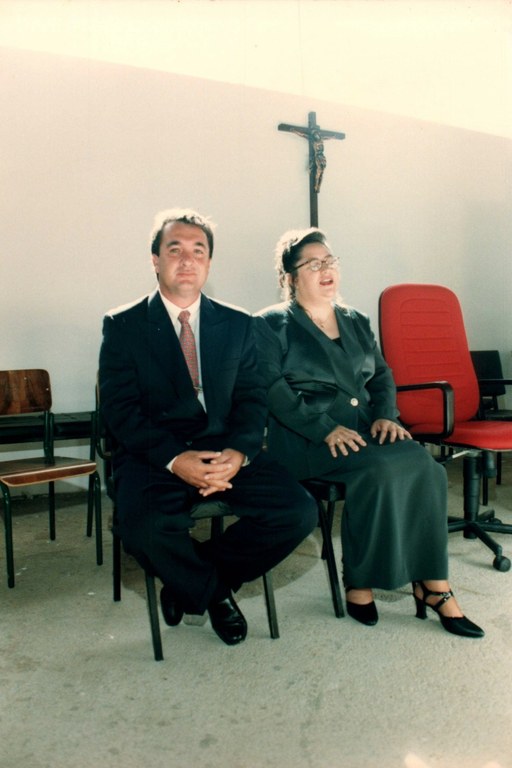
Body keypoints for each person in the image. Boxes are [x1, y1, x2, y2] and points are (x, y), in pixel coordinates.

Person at [99, 208, 317, 646]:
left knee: (298, 512)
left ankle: (189, 580)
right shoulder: (123, 325)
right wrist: (174, 459)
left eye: (198, 251)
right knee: (141, 527)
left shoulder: (237, 323)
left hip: (224, 450)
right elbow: (120, 411)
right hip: (154, 453)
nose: (187, 259)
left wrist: (239, 452)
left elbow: (252, 398)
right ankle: (214, 594)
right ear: (155, 260)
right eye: (174, 249)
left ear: (209, 263)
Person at [254, 227, 484, 638]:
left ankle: (433, 584)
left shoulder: (356, 320)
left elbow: (381, 375)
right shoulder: (270, 324)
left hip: (363, 431)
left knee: (427, 468)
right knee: (379, 470)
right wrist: (324, 428)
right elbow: (272, 390)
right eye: (314, 264)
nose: (326, 270)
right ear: (290, 277)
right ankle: (359, 581)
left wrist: (387, 415)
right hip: (307, 440)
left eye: (330, 261)